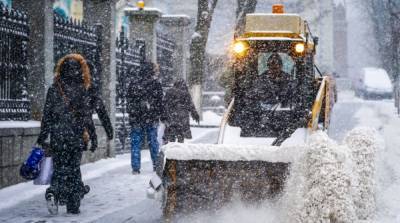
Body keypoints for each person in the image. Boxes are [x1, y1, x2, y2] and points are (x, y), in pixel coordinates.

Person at [37, 54, 112, 215]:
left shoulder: (54, 88)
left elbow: (47, 115)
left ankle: (54, 192)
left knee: (59, 168)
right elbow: (88, 116)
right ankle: (73, 203)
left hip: (58, 135)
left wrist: (43, 137)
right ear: (80, 70)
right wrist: (95, 135)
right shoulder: (83, 88)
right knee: (73, 169)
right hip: (76, 135)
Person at [127, 61, 164, 174]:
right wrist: (160, 114)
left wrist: (132, 113)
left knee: (136, 143)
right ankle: (156, 165)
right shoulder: (155, 84)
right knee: (153, 142)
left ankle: (136, 167)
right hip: (151, 118)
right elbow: (160, 102)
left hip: (136, 118)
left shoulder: (133, 84)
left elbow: (129, 102)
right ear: (151, 71)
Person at [162, 79, 199, 143]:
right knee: (181, 136)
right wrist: (195, 114)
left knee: (171, 135)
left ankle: (171, 147)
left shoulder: (169, 92)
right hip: (182, 118)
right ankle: (179, 148)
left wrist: (163, 115)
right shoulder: (185, 93)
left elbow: (164, 104)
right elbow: (190, 105)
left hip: (171, 117)